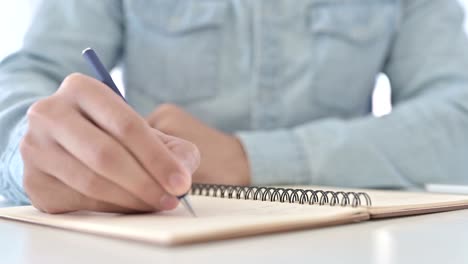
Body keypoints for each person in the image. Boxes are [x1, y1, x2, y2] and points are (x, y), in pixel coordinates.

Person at [1, 0, 468, 213]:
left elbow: (458, 117)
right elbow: (33, 76)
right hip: (153, 233)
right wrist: (34, 148)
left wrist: (246, 157)